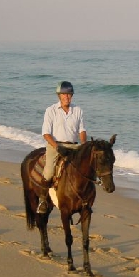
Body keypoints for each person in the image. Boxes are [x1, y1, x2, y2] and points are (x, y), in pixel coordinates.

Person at [37, 81, 87, 213]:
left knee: (87, 167)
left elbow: (82, 131)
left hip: (73, 146)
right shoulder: (51, 110)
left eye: (69, 94)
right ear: (59, 96)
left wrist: (83, 144)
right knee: (48, 172)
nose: (67, 97)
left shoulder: (78, 110)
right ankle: (42, 201)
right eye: (64, 94)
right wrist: (57, 147)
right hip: (55, 145)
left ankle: (86, 198)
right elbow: (46, 133)